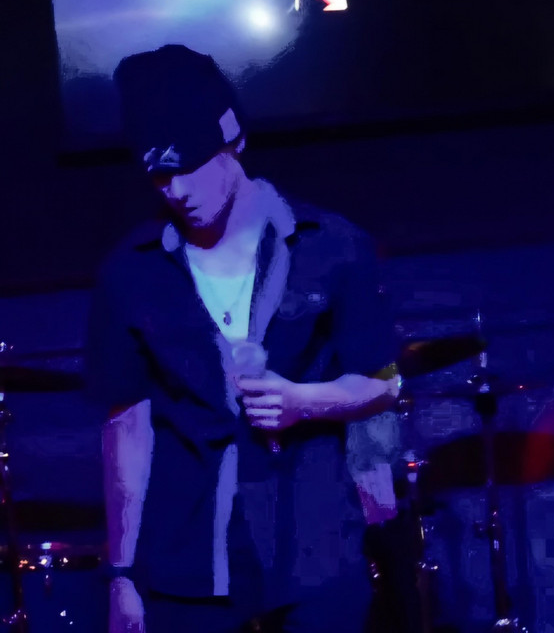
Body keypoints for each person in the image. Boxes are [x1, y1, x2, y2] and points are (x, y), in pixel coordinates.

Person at [87, 44, 399, 633]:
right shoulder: (129, 272)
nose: (177, 189)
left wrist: (305, 402)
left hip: (314, 543)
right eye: (159, 175)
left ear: (233, 138)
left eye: (190, 165)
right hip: (187, 557)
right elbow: (126, 424)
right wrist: (122, 575)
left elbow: (384, 383)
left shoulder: (333, 245)